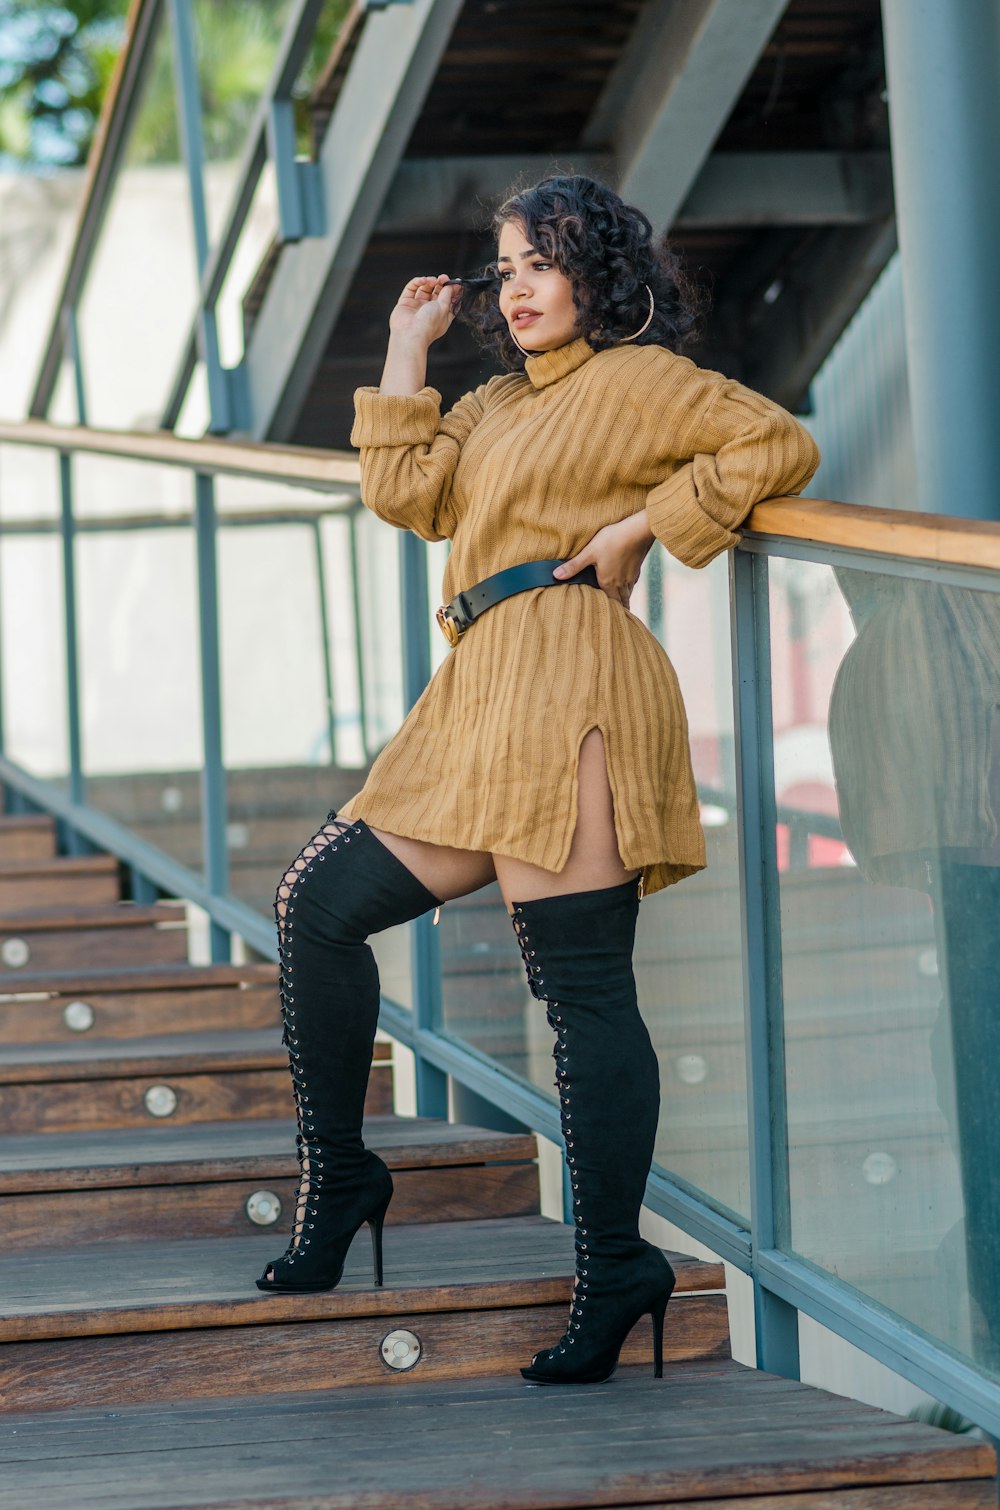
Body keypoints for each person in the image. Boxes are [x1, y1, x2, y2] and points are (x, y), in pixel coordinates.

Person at [254, 174, 820, 1386]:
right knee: (316, 906)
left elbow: (775, 441)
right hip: (477, 693)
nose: (513, 288)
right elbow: (405, 495)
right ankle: (341, 1172)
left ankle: (614, 1263)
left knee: (577, 990)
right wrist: (405, 346)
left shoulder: (646, 379)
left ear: (598, 271)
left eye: (539, 262)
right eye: (502, 267)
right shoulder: (495, 398)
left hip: (574, 678)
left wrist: (639, 528)